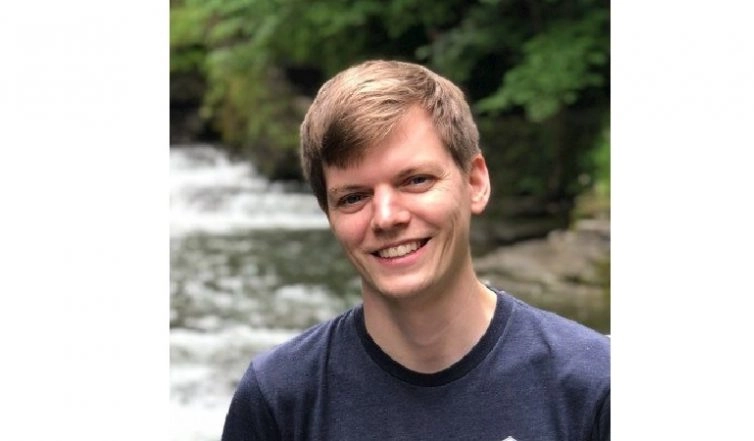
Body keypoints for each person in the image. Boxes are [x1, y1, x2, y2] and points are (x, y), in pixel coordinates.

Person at [221, 59, 610, 441]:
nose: (386, 217)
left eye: (416, 181)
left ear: (475, 183)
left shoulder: (596, 387)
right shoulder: (278, 400)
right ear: (329, 215)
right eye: (353, 197)